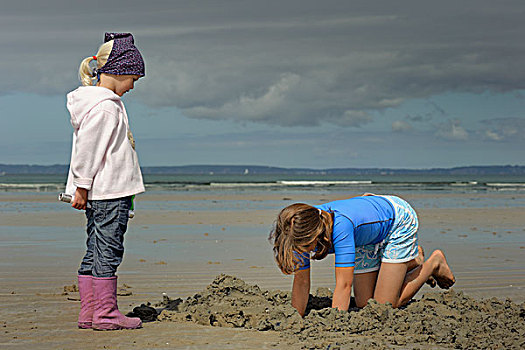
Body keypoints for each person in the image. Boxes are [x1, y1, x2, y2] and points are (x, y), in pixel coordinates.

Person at [65, 32, 146, 330]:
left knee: (95, 248)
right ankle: (105, 313)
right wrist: (81, 186)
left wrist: (83, 187)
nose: (134, 85)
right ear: (120, 71)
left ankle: (89, 312)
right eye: (134, 79)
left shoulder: (98, 103)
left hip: (104, 191)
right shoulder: (105, 107)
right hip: (109, 192)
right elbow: (88, 150)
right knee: (108, 250)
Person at [269, 194, 455, 317]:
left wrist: (336, 322)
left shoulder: (341, 229)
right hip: (364, 235)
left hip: (397, 221)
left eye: (305, 246)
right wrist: (295, 317)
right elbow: (301, 282)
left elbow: (344, 284)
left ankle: (432, 263)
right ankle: (410, 260)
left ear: (317, 233)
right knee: (364, 303)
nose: (302, 252)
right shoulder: (297, 228)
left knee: (384, 304)